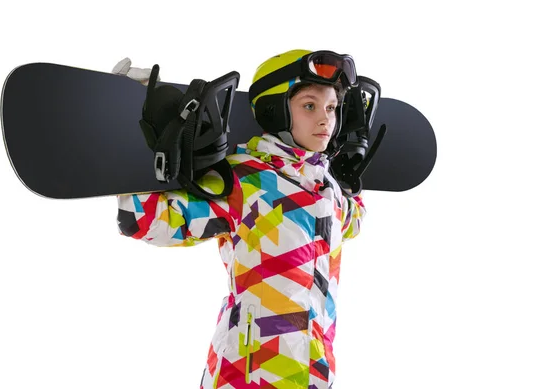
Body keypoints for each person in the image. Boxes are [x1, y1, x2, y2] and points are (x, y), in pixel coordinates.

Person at [115, 49, 366, 389]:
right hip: (248, 373)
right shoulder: (244, 180)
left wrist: (352, 178)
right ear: (273, 109)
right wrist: (130, 128)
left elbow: (352, 222)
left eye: (332, 108)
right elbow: (150, 222)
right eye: (309, 106)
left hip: (315, 372)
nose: (325, 119)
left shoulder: (329, 190)